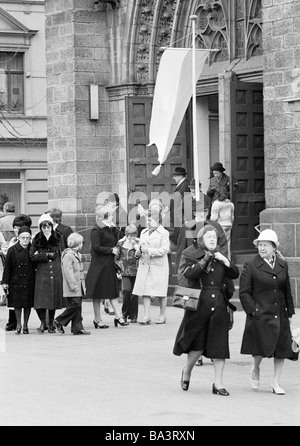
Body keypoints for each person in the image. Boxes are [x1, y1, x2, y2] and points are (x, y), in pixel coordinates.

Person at [173, 225, 240, 396]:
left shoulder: (220, 255)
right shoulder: (191, 253)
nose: (212, 239)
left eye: (215, 237)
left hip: (218, 305)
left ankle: (218, 383)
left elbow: (234, 274)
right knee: (197, 347)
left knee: (219, 346)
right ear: (201, 239)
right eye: (208, 236)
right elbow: (189, 274)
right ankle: (187, 371)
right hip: (198, 305)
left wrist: (225, 261)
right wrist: (205, 259)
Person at [239, 229, 296, 395]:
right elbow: (244, 292)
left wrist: (290, 313)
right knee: (259, 350)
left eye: (265, 245)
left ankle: (276, 382)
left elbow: (287, 291)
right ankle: (256, 368)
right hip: (260, 314)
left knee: (282, 350)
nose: (262, 248)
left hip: (280, 314)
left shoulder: (282, 264)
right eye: (260, 245)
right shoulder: (251, 265)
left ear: (274, 248)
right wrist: (253, 311)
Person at [85, 205, 129, 328]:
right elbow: (96, 247)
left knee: (112, 290)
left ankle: (118, 316)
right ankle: (97, 319)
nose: (113, 217)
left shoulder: (109, 228)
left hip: (109, 264)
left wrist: (114, 229)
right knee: (97, 293)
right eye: (111, 215)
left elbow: (119, 239)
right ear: (106, 216)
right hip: (99, 264)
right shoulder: (96, 229)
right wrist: (110, 250)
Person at [133, 205, 170, 325]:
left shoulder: (164, 233)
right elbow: (140, 247)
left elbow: (165, 250)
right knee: (146, 290)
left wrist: (148, 250)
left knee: (161, 291)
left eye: (150, 220)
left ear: (158, 220)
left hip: (159, 265)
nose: (148, 222)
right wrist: (138, 252)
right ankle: (146, 315)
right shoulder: (143, 232)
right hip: (145, 264)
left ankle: (162, 315)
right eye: (147, 220)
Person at [30, 214, 65, 333]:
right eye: (44, 226)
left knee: (52, 298)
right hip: (42, 270)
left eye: (48, 226)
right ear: (40, 227)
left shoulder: (58, 237)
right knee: (41, 299)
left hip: (55, 269)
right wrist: (46, 256)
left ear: (51, 226)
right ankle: (42, 322)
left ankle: (50, 323)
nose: (46, 229)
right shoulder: (37, 238)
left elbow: (62, 252)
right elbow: (32, 256)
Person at [54, 233, 90, 335]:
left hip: (79, 285)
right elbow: (68, 272)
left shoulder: (76, 254)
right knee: (75, 305)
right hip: (72, 286)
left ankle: (77, 327)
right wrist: (73, 285)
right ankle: (59, 320)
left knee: (77, 307)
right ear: (78, 244)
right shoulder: (68, 255)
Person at [2, 226, 35, 334]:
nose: (25, 240)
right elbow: (7, 267)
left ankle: (25, 325)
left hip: (29, 280)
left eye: (27, 238)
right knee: (17, 304)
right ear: (18, 238)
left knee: (27, 304)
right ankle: (18, 324)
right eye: (23, 238)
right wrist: (5, 282)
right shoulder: (12, 250)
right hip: (15, 280)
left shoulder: (32, 249)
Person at [117, 224, 140, 323]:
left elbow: (141, 255)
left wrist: (137, 247)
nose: (132, 237)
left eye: (134, 235)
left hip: (137, 270)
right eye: (130, 235)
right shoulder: (121, 243)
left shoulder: (139, 243)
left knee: (135, 293)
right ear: (126, 235)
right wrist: (117, 270)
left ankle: (133, 315)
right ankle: (124, 313)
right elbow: (117, 257)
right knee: (126, 291)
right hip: (125, 270)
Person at [169, 167, 192, 247]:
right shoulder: (182, 185)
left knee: (180, 237)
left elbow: (183, 202)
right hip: (178, 215)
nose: (173, 178)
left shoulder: (185, 185)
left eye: (175, 176)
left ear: (180, 176)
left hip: (180, 216)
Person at [210, 191, 234, 260]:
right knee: (228, 245)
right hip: (229, 224)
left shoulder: (216, 204)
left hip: (220, 226)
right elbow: (232, 217)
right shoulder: (230, 204)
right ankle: (228, 260)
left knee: (220, 244)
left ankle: (221, 260)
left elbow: (214, 218)